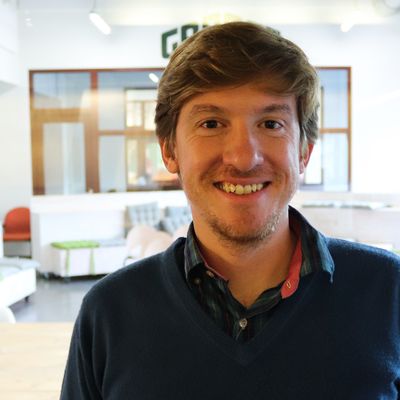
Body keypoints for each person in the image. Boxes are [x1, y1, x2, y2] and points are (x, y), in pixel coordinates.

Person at [60, 22, 400, 399]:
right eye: (211, 123)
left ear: (304, 151)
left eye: (271, 123)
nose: (243, 158)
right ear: (169, 150)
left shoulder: (389, 292)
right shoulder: (109, 313)